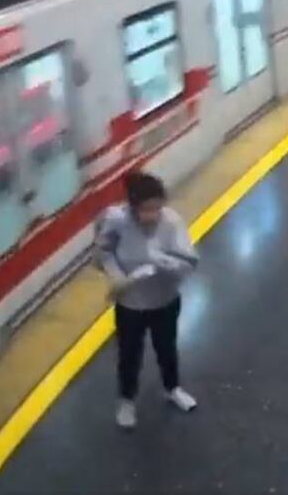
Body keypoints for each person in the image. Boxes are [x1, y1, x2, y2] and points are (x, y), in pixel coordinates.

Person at [96, 171, 200, 430]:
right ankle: (126, 401)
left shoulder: (172, 223)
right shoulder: (115, 220)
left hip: (164, 300)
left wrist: (163, 262)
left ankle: (172, 387)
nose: (152, 215)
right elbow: (103, 251)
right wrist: (118, 277)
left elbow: (190, 262)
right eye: (145, 209)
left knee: (166, 347)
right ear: (132, 206)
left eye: (157, 208)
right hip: (130, 304)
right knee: (129, 354)